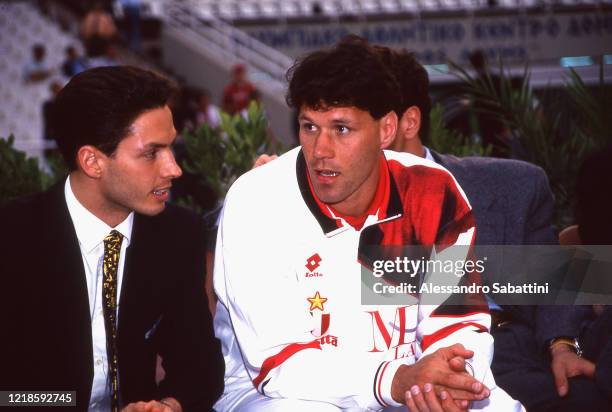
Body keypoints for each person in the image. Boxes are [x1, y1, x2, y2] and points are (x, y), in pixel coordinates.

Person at [213, 36, 521, 411]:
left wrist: (448, 377)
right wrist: (396, 380)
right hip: (282, 394)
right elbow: (279, 362)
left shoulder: (432, 189)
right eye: (309, 127)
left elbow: (457, 320)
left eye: (341, 129)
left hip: (410, 384)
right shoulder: (257, 201)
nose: (320, 150)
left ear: (387, 129)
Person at [382, 46, 610, 411]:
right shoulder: (317, 197)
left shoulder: (510, 186)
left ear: (407, 122)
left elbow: (550, 283)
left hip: (503, 356)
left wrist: (562, 345)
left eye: (351, 123)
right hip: (390, 367)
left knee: (583, 399)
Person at [0, 66, 224, 412]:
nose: (174, 168)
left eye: (171, 148)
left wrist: (166, 405)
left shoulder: (177, 234)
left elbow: (200, 367)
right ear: (92, 161)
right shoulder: (12, 237)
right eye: (152, 153)